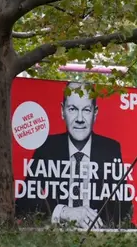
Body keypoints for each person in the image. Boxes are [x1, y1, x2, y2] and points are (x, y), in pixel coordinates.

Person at [17, 82, 130, 229]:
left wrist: (94, 220)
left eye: (87, 110)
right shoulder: (47, 147)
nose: (80, 118)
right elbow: (23, 204)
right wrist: (63, 212)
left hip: (95, 236)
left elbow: (124, 206)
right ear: (62, 111)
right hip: (54, 235)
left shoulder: (110, 149)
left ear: (95, 113)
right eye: (72, 109)